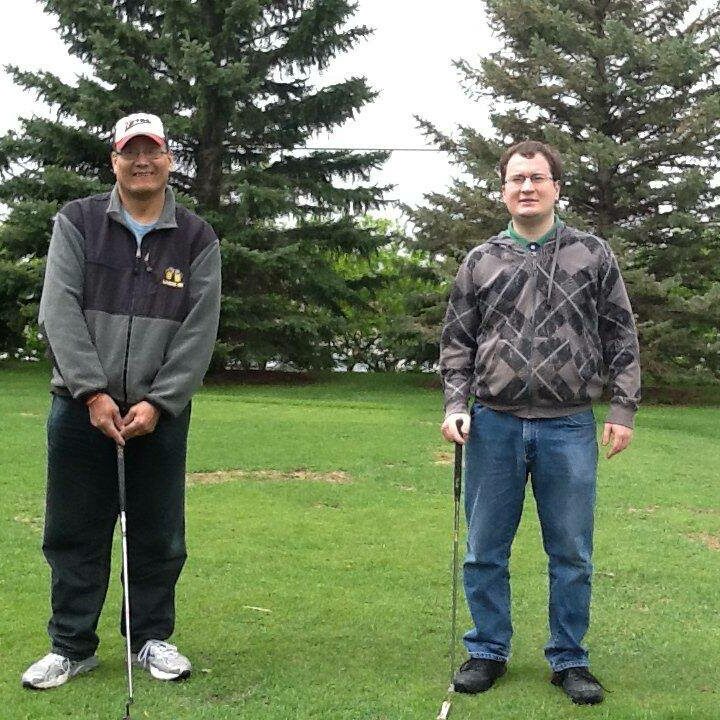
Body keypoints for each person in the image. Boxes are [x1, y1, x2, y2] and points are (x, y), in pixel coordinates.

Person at [22, 113, 221, 689]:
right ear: (114, 160)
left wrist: (159, 402)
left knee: (158, 534)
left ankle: (150, 638)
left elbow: (198, 328)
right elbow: (57, 309)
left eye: (152, 151)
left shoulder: (196, 236)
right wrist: (91, 392)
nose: (141, 161)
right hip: (81, 410)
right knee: (74, 531)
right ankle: (72, 645)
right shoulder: (78, 221)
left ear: (167, 159)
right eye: (129, 151)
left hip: (157, 416)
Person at [439, 140, 640, 705]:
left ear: (556, 187)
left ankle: (570, 659)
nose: (526, 187)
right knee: (484, 549)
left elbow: (621, 336)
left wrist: (622, 408)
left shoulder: (592, 255)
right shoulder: (480, 260)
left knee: (572, 551)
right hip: (493, 424)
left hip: (569, 425)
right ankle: (486, 650)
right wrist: (456, 405)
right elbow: (457, 342)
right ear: (503, 188)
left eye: (538, 178)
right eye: (516, 178)